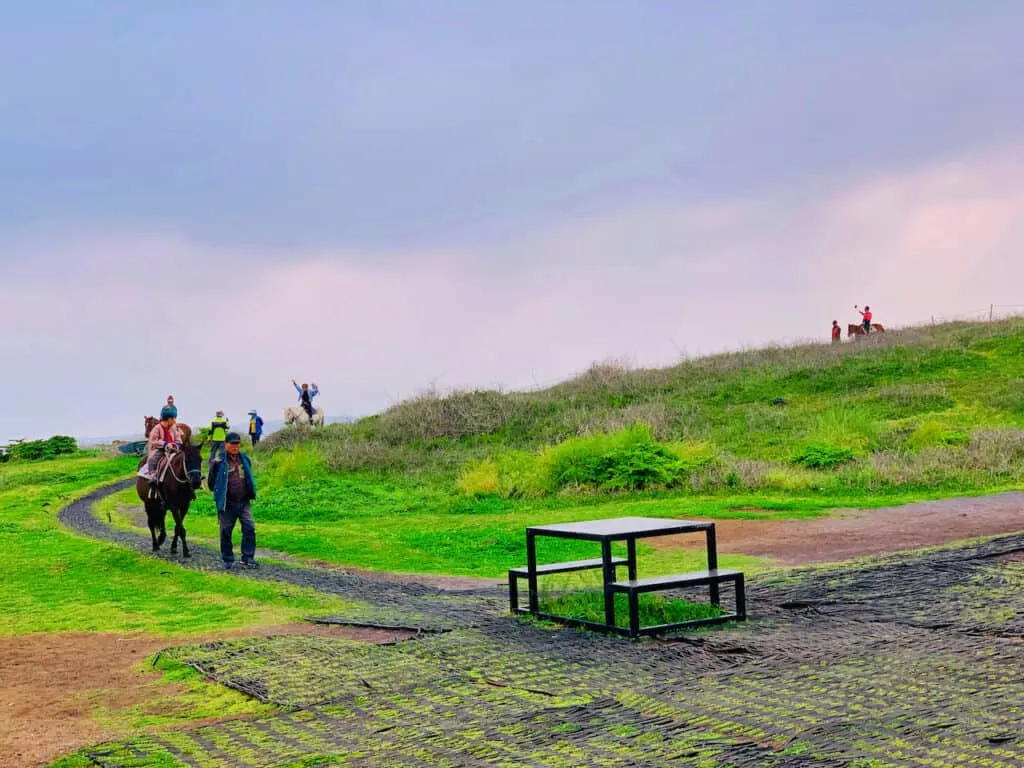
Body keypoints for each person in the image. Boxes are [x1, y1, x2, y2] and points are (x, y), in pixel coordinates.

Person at [208, 432, 258, 570]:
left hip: (243, 501)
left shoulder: (245, 459)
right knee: (226, 531)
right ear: (226, 445)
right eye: (232, 444)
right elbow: (211, 482)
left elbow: (249, 475)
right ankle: (228, 559)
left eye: (237, 444)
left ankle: (248, 558)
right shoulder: (217, 462)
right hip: (227, 503)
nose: (235, 447)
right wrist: (220, 495)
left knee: (249, 528)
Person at [139, 405, 182, 482]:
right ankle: (152, 475)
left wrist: (176, 444)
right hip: (161, 449)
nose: (175, 421)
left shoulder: (174, 428)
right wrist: (165, 444)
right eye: (174, 418)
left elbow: (178, 439)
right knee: (153, 459)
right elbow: (154, 441)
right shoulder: (157, 428)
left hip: (174, 449)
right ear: (169, 419)